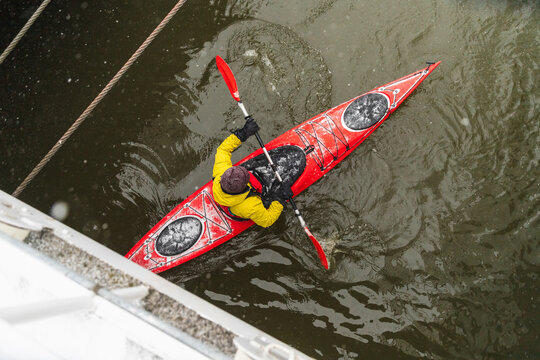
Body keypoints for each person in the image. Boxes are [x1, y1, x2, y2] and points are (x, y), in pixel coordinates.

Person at [212, 118, 293, 227]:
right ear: (245, 184)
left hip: (227, 197)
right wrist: (279, 200)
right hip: (240, 208)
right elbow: (267, 221)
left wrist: (243, 133)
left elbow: (223, 150)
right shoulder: (250, 206)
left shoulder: (221, 171)